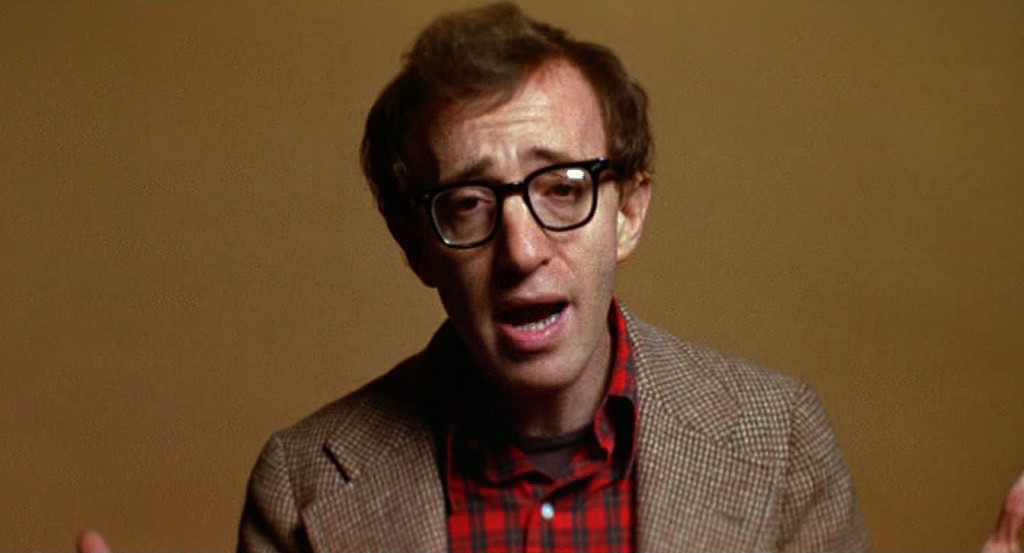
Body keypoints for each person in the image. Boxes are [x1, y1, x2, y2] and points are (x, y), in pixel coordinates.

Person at [74, 3, 1024, 553]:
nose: (523, 248)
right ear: (416, 242)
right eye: (470, 203)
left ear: (629, 209)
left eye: (562, 187)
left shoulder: (778, 444)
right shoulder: (304, 487)